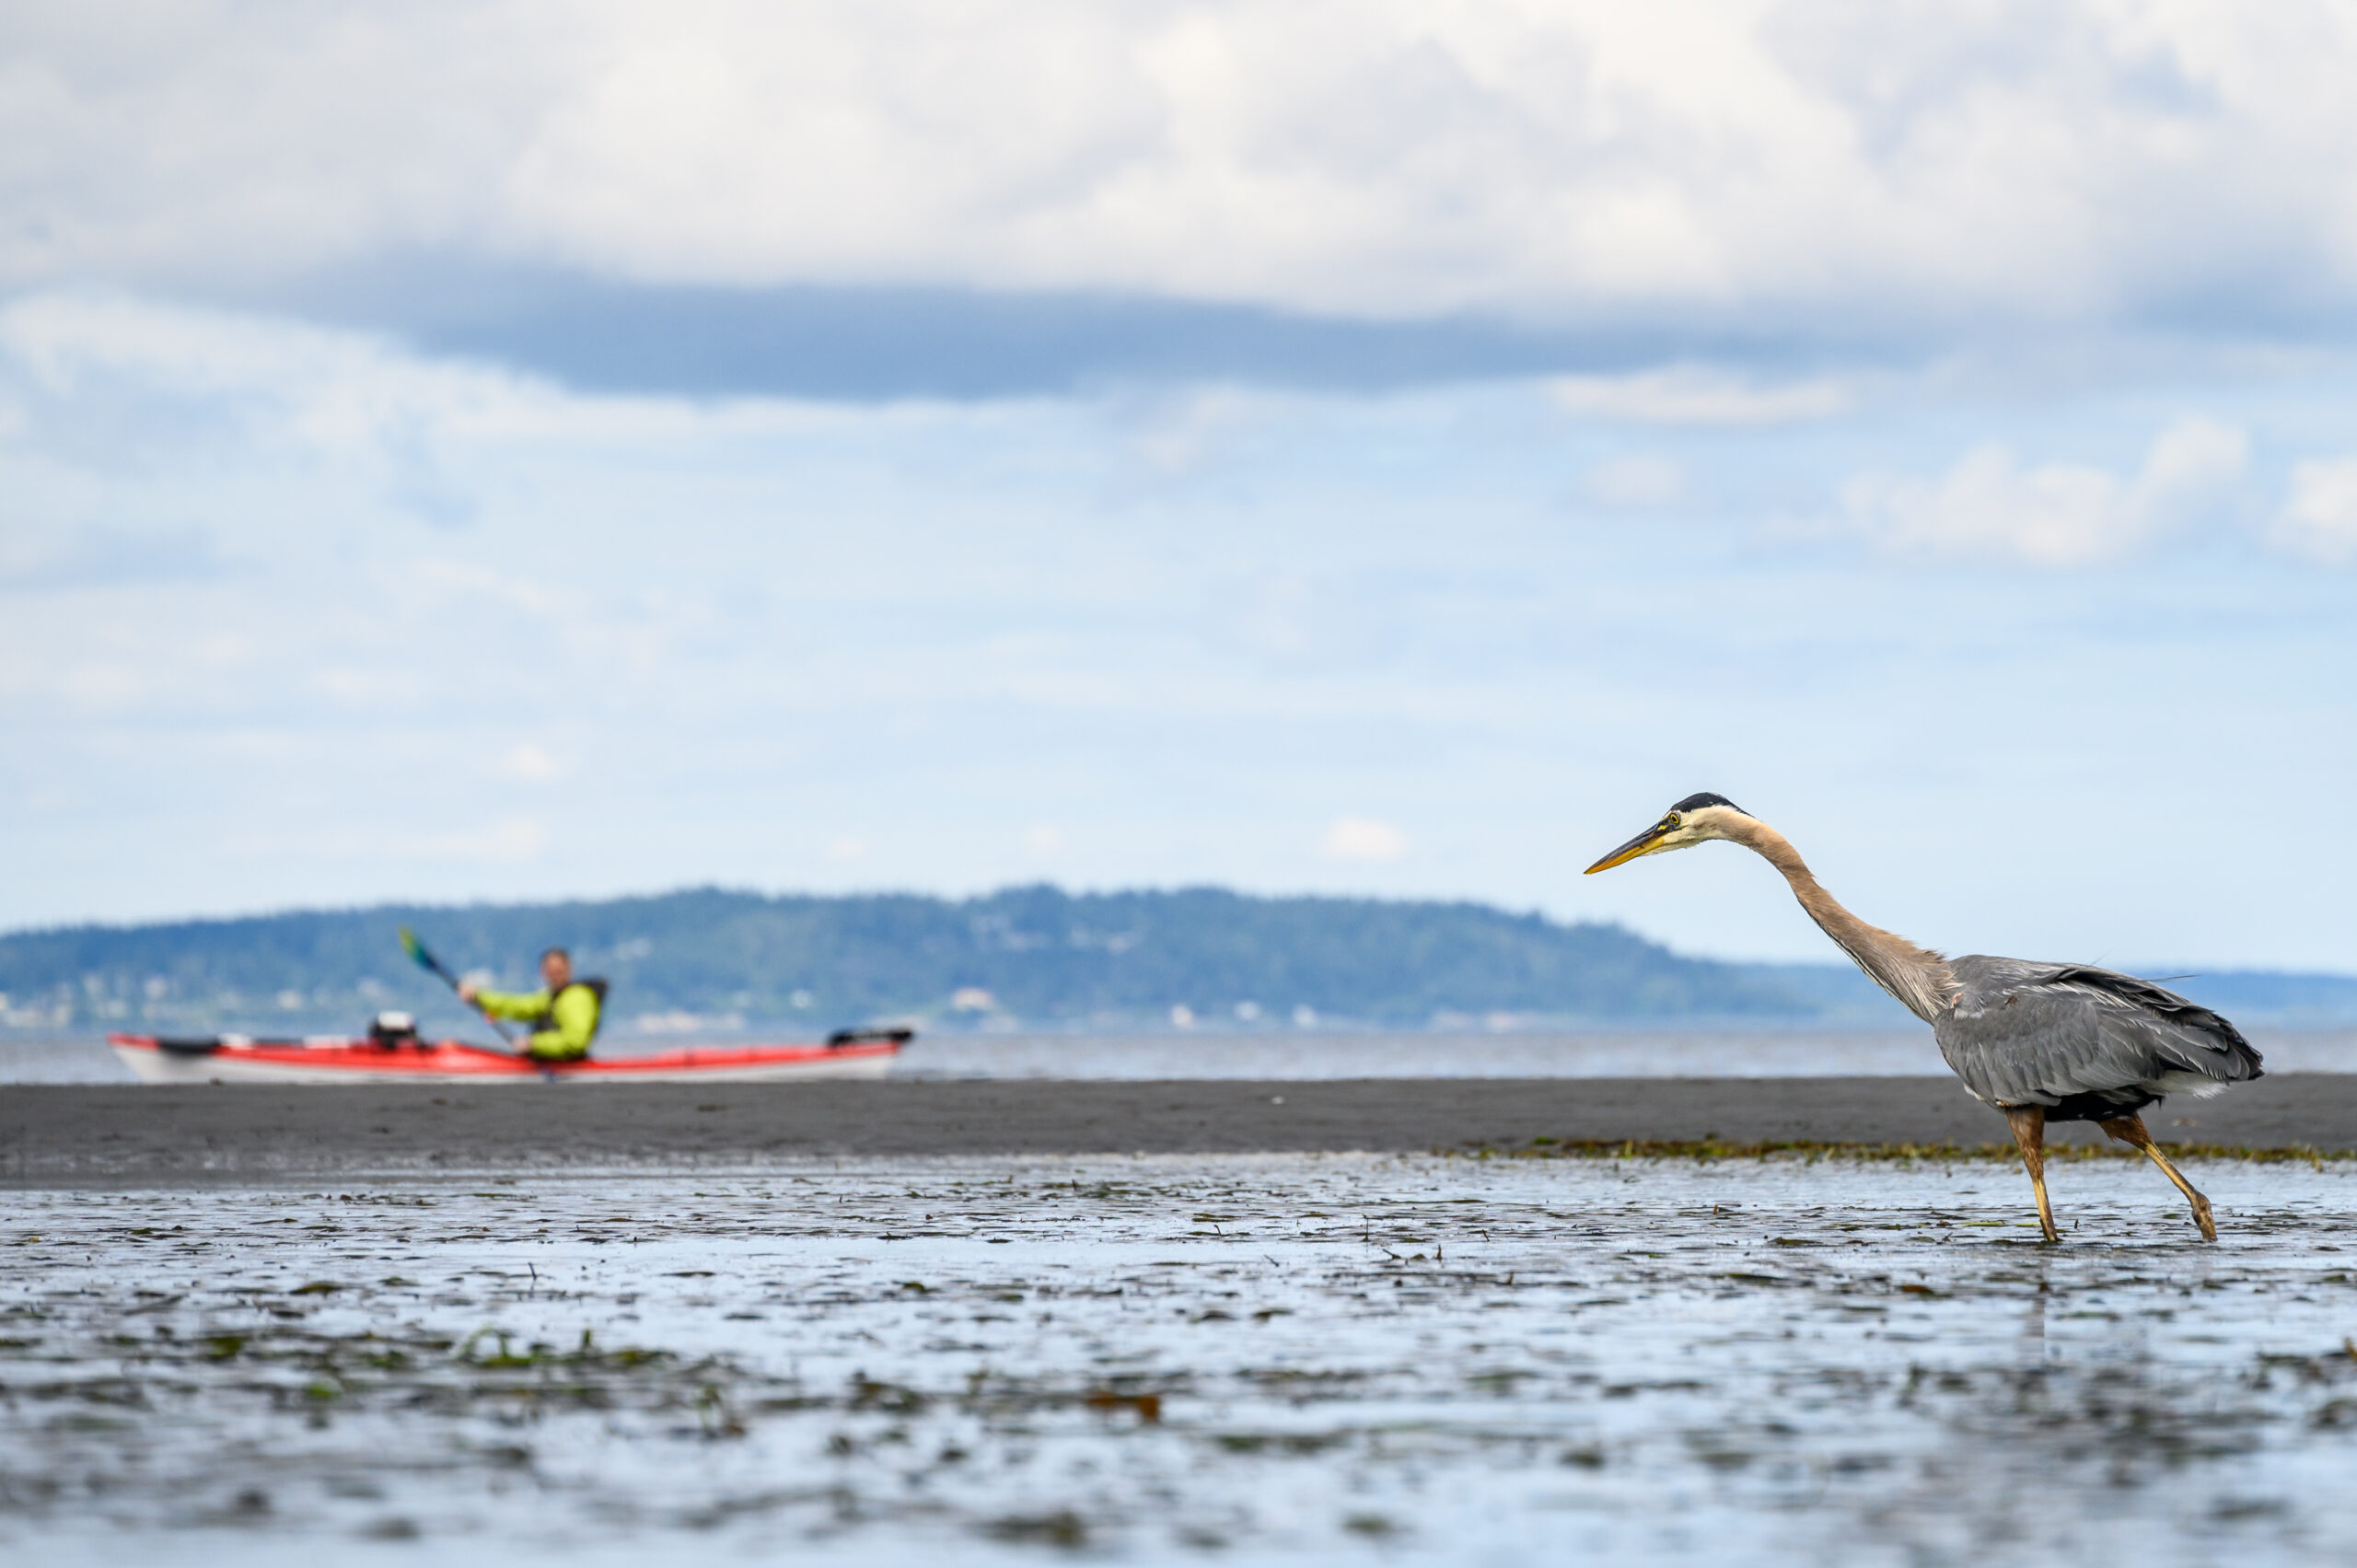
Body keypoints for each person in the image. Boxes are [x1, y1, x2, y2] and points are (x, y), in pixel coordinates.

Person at [459, 947, 606, 1062]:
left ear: (569, 969)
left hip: (571, 1066)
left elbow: (576, 1042)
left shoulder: (576, 998)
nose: (554, 976)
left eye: (558, 971)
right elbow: (517, 1006)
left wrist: (533, 1043)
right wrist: (478, 996)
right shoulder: (550, 997)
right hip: (549, 1063)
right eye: (550, 971)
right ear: (543, 971)